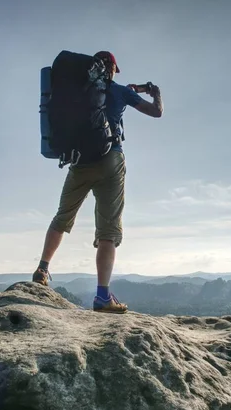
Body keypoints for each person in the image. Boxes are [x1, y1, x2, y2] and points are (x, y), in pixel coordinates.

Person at [31, 50, 163, 314]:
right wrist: (154, 91)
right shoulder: (120, 91)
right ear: (111, 69)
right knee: (108, 230)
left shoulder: (76, 90)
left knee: (62, 216)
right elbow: (156, 112)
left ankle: (42, 270)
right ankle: (102, 296)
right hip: (110, 161)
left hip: (79, 161)